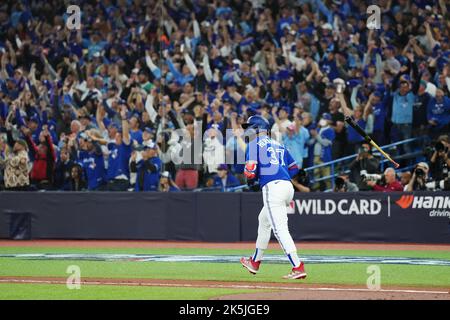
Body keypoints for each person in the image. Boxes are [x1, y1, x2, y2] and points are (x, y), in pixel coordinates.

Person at [239, 115, 306, 280]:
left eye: (249, 126)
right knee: (264, 220)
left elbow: (250, 172)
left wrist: (252, 180)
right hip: (287, 186)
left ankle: (297, 266)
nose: (247, 129)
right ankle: (254, 261)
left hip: (273, 187)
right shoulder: (278, 144)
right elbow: (294, 168)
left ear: (257, 127)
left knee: (280, 229)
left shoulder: (253, 144)